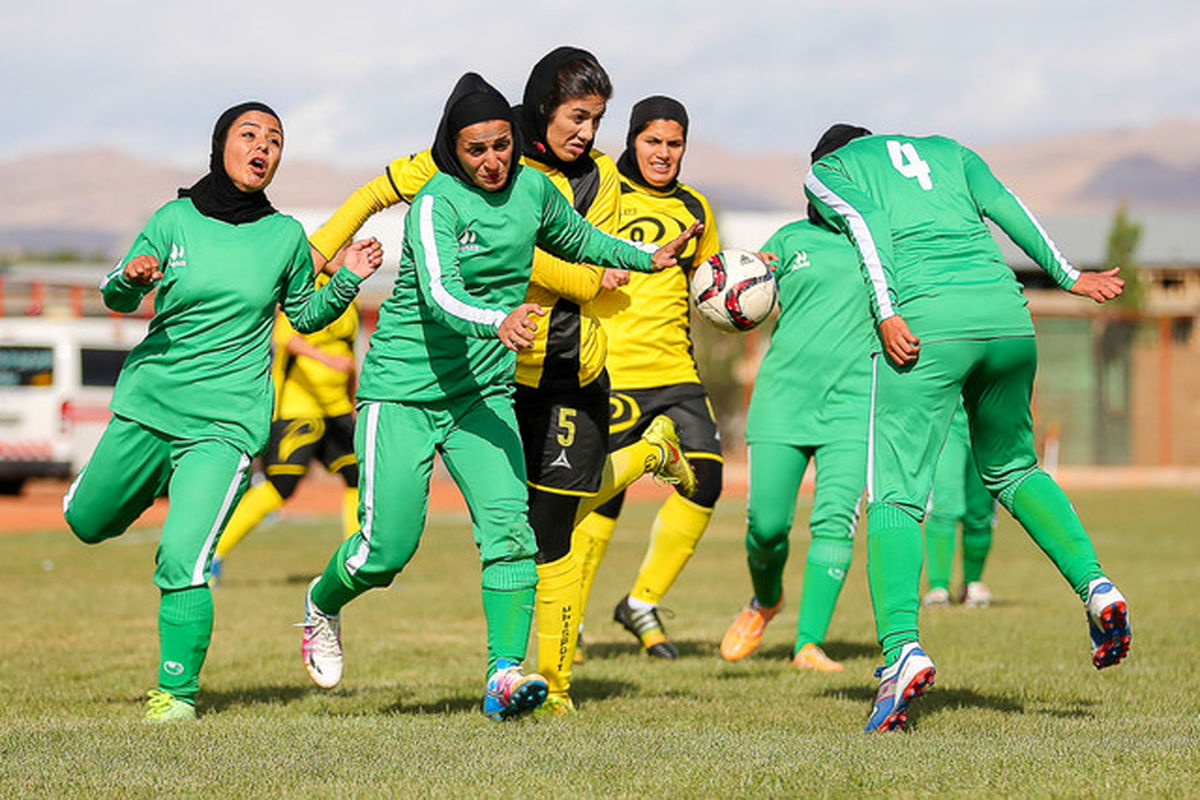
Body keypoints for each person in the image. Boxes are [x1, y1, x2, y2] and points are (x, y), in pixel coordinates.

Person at [296, 72, 700, 722]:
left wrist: (648, 256)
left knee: (511, 534)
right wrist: (498, 321)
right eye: (476, 149)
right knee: (386, 551)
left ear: (516, 138)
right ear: (453, 149)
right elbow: (440, 292)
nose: (492, 161)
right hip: (403, 393)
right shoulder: (436, 203)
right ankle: (323, 603)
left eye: (501, 146)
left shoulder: (535, 188)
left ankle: (504, 675)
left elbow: (576, 239)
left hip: (481, 393)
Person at [804, 124, 1130, 732]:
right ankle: (1098, 588)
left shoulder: (830, 171)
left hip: (929, 328)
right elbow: (1007, 204)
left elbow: (869, 232)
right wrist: (1069, 276)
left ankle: (901, 649)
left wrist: (887, 310)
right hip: (1008, 321)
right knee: (1013, 468)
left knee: (895, 493)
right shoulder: (948, 150)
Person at [62, 102, 382, 723]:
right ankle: (143, 482)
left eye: (275, 140)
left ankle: (175, 694)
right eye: (250, 135)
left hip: (227, 424)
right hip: (150, 405)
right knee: (88, 522)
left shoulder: (284, 236)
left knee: (184, 556)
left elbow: (305, 314)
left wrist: (345, 278)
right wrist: (132, 276)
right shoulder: (173, 219)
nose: (263, 147)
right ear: (221, 145)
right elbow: (115, 293)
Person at [574, 96, 721, 659]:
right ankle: (574, 621)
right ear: (633, 138)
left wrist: (743, 288)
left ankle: (640, 602)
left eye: (674, 143)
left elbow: (711, 292)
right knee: (601, 497)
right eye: (653, 140)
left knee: (704, 480)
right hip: (611, 371)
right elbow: (561, 246)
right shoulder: (601, 184)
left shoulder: (695, 208)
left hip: (676, 373)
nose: (663, 153)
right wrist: (594, 271)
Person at [719, 203, 874, 673]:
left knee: (834, 523)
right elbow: (750, 279)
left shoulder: (881, 242)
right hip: (782, 400)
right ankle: (765, 602)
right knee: (766, 528)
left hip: (852, 406)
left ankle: (808, 644)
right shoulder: (790, 238)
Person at [210, 268, 361, 584]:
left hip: (336, 410)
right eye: (345, 245)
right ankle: (214, 554)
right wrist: (325, 359)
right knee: (281, 488)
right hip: (297, 408)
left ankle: (358, 561)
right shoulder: (306, 288)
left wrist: (352, 401)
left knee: (357, 479)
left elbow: (347, 356)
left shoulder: (351, 297)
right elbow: (285, 337)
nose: (353, 250)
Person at [922, 402, 996, 608]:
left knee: (981, 510)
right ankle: (938, 587)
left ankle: (972, 582)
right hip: (947, 420)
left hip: (990, 423)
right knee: (944, 504)